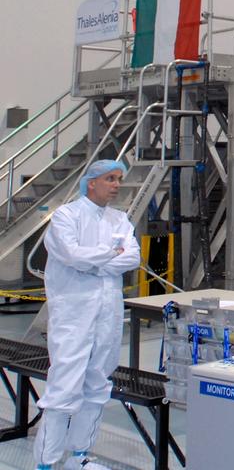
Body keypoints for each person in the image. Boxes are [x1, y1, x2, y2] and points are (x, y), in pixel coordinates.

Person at [34, 159, 140, 470]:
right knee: (64, 387)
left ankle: (79, 457)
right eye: (110, 179)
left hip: (108, 314)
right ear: (91, 182)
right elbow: (71, 255)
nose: (117, 185)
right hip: (74, 313)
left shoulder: (120, 219)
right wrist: (111, 254)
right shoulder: (67, 216)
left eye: (119, 179)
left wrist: (98, 259)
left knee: (97, 384)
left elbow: (132, 257)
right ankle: (46, 462)